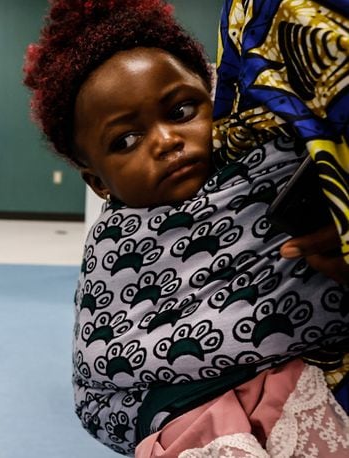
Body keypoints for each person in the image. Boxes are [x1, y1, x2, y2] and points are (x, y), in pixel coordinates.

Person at [23, 0, 349, 455]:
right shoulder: (112, 249)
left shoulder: (277, 171)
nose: (166, 140)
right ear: (97, 181)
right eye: (126, 140)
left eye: (180, 111)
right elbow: (99, 375)